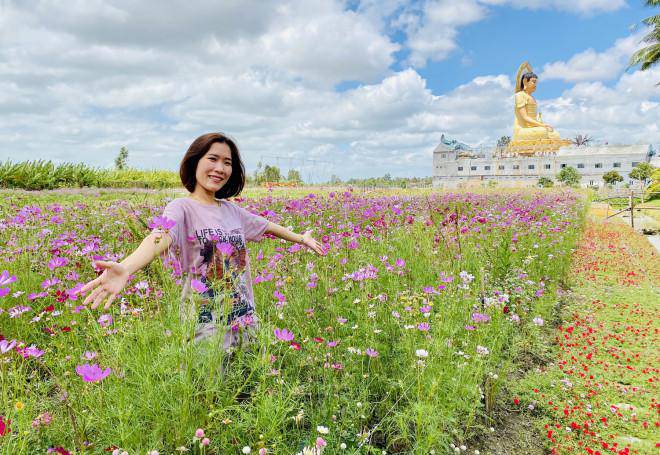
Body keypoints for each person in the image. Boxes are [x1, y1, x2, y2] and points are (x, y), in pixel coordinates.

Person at [81, 132, 324, 347]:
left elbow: (268, 226)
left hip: (245, 318)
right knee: (212, 392)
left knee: (247, 392)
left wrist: (302, 239)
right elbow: (159, 236)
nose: (220, 168)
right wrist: (126, 267)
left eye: (227, 163)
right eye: (213, 159)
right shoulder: (181, 208)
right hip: (205, 324)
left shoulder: (232, 210)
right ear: (194, 161)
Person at [512, 71, 562, 142]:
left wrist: (541, 123)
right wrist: (542, 125)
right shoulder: (520, 95)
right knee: (543, 131)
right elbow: (525, 117)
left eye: (536, 83)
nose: (535, 85)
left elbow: (534, 119)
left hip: (533, 128)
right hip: (523, 130)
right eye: (533, 82)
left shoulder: (532, 98)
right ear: (525, 81)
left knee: (555, 134)